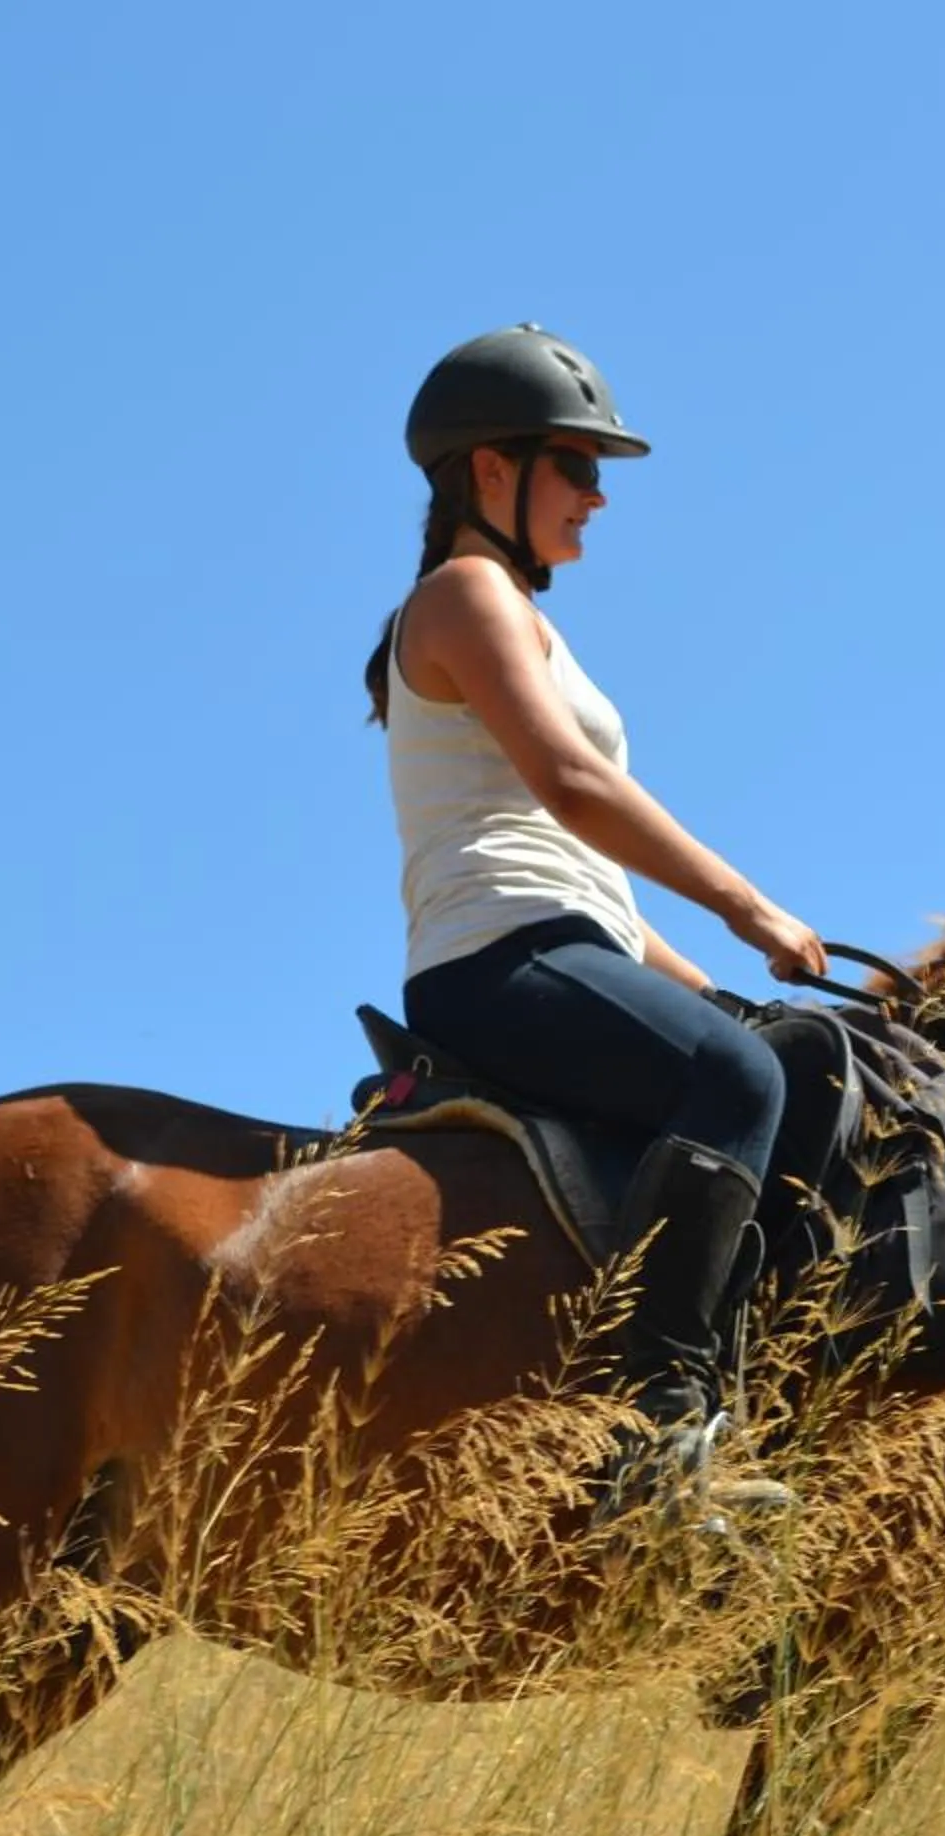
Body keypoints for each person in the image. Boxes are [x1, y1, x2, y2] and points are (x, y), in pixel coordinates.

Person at [364, 323, 824, 1518]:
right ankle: (652, 1439)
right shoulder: (464, 594)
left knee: (775, 1055)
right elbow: (574, 788)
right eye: (575, 464)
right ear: (491, 470)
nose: (598, 494)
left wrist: (716, 990)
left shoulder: (522, 615)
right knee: (735, 1081)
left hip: (559, 943)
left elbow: (592, 889)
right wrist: (748, 906)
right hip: (493, 958)